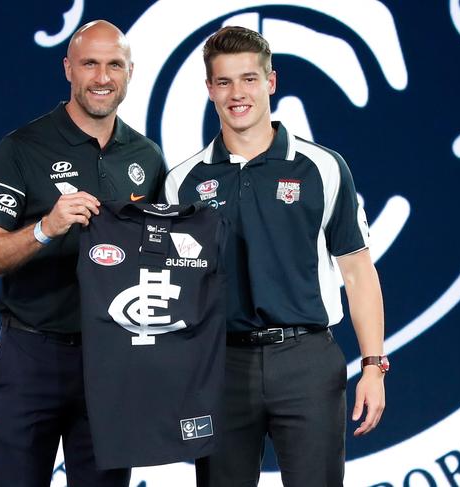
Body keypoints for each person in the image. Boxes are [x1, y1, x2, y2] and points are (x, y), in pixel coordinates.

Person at [162, 26, 386, 487]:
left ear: (271, 82)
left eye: (248, 79)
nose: (237, 93)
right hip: (221, 366)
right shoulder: (182, 182)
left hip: (305, 360)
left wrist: (372, 366)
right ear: (209, 90)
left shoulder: (323, 167)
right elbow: (171, 288)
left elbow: (358, 272)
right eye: (224, 82)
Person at [0, 20, 165, 486]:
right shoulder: (22, 149)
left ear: (130, 73)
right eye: (89, 64)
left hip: (112, 360)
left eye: (114, 64)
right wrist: (45, 229)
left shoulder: (147, 156)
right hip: (33, 355)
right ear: (68, 69)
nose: (102, 77)